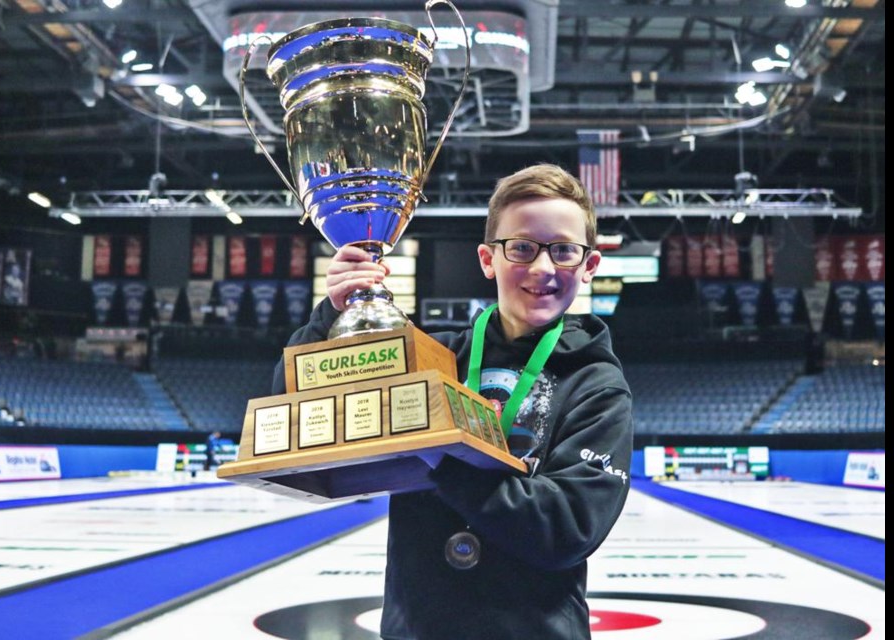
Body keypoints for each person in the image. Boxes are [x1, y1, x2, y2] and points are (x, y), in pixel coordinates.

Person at [271, 163, 633, 639]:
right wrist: (333, 315)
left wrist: (438, 454)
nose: (543, 268)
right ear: (488, 259)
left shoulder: (597, 385)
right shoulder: (433, 356)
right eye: (522, 247)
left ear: (588, 266)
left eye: (563, 250)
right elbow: (296, 416)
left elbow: (564, 530)